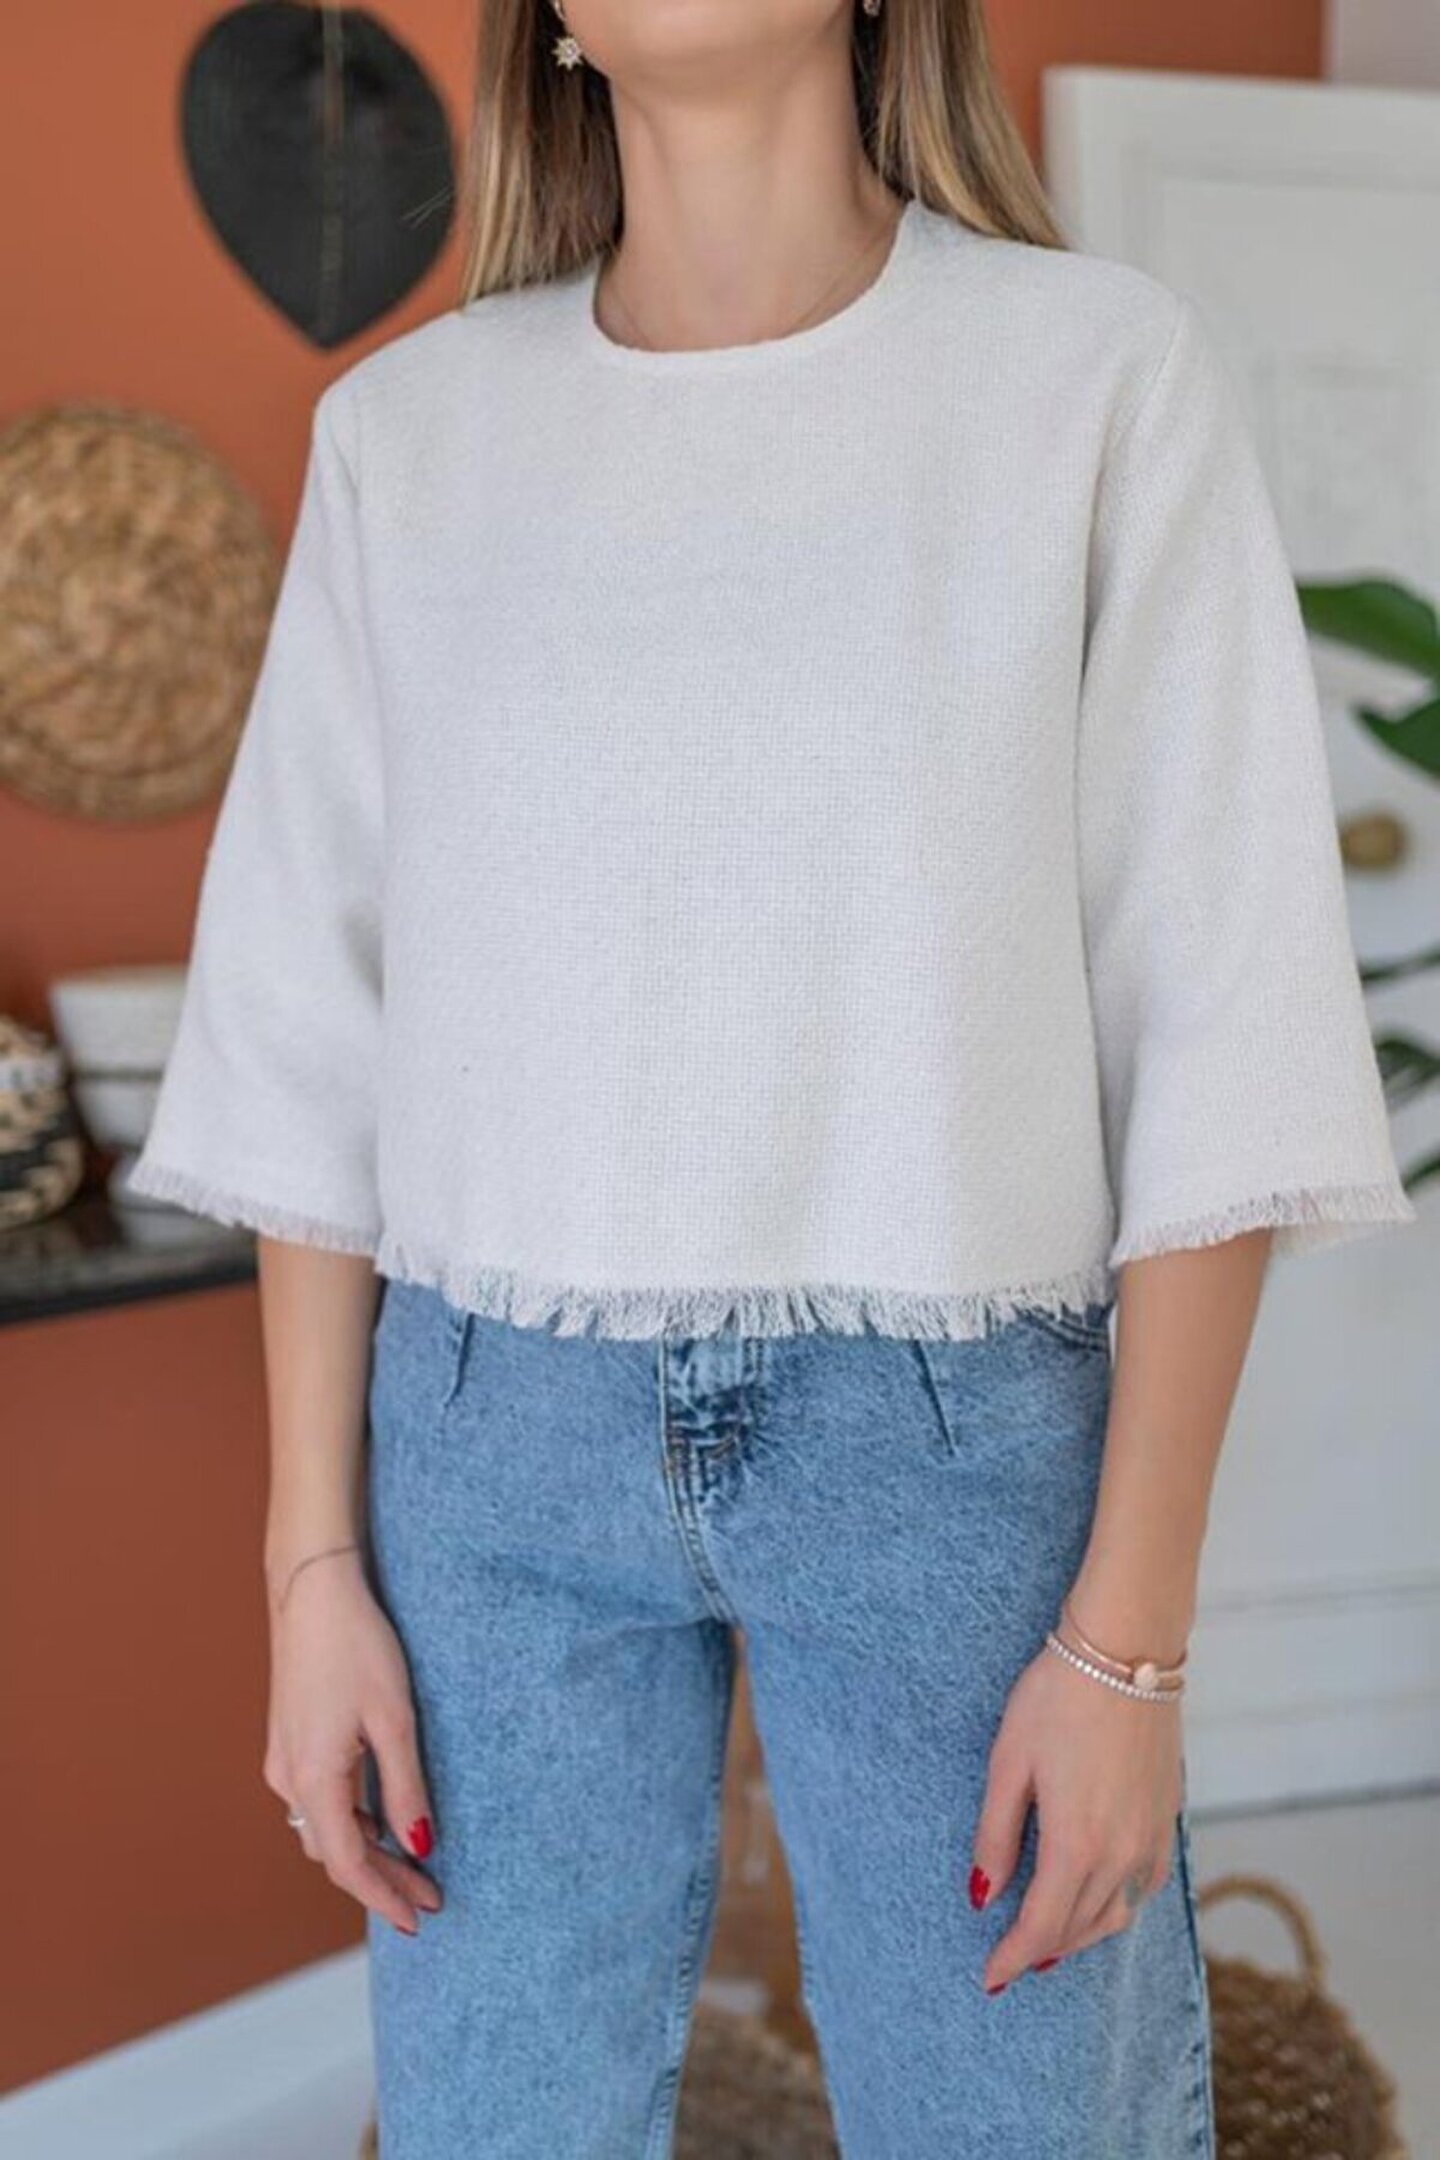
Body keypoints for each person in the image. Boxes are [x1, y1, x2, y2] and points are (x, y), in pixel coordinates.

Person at [129, 1, 1416, 2152]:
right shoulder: (410, 441)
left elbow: (1225, 1027)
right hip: (486, 1453)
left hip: (952, 1448)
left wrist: (1130, 1648)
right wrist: (310, 1572)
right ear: (552, 22)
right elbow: (304, 1043)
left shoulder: (1093, 377)